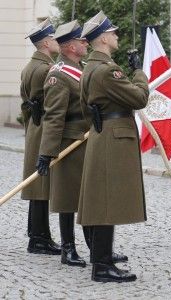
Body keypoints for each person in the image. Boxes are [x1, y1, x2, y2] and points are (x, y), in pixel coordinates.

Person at [77, 11, 149, 283]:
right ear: (104, 38)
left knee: (101, 199)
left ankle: (101, 258)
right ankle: (102, 266)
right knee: (107, 202)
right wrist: (139, 71)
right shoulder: (108, 70)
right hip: (113, 137)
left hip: (100, 133)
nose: (117, 36)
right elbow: (139, 97)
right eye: (113, 33)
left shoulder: (89, 67)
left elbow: (86, 109)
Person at [36, 20, 93, 267]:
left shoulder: (83, 67)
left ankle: (97, 247)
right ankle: (67, 248)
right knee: (68, 199)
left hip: (88, 141)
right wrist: (47, 152)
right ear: (70, 46)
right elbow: (53, 116)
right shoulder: (58, 75)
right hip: (69, 143)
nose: (86, 43)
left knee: (91, 197)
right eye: (82, 41)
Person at [20, 19, 61, 255]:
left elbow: (26, 103)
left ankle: (37, 233)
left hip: (35, 126)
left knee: (37, 183)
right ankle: (39, 238)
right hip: (44, 126)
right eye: (54, 38)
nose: (58, 42)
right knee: (41, 184)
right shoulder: (47, 69)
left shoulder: (30, 66)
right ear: (46, 42)